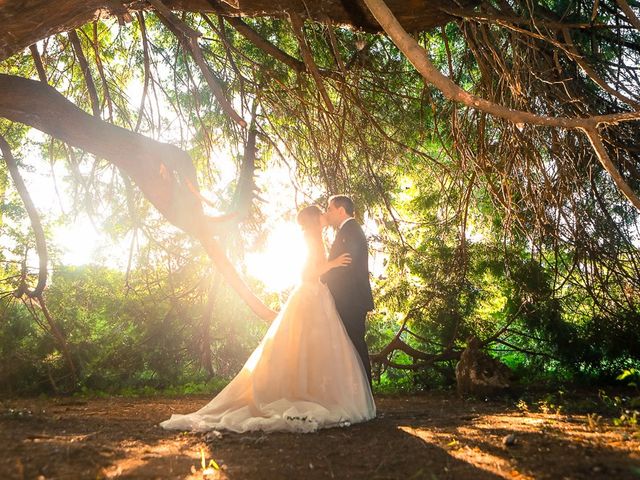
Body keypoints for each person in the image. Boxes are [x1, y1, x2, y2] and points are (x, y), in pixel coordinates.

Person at [160, 205, 375, 433]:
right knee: (307, 345)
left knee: (311, 348)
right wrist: (332, 264)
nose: (325, 215)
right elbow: (307, 274)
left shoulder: (315, 237)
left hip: (315, 295)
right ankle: (303, 392)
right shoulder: (313, 239)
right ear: (315, 219)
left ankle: (310, 389)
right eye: (322, 213)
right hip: (310, 295)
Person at [322, 195, 375, 385]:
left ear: (340, 211)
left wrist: (321, 280)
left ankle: (365, 392)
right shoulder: (347, 230)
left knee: (355, 344)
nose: (327, 213)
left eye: (329, 209)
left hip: (351, 300)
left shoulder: (351, 231)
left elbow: (346, 265)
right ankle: (356, 392)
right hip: (348, 299)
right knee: (350, 345)